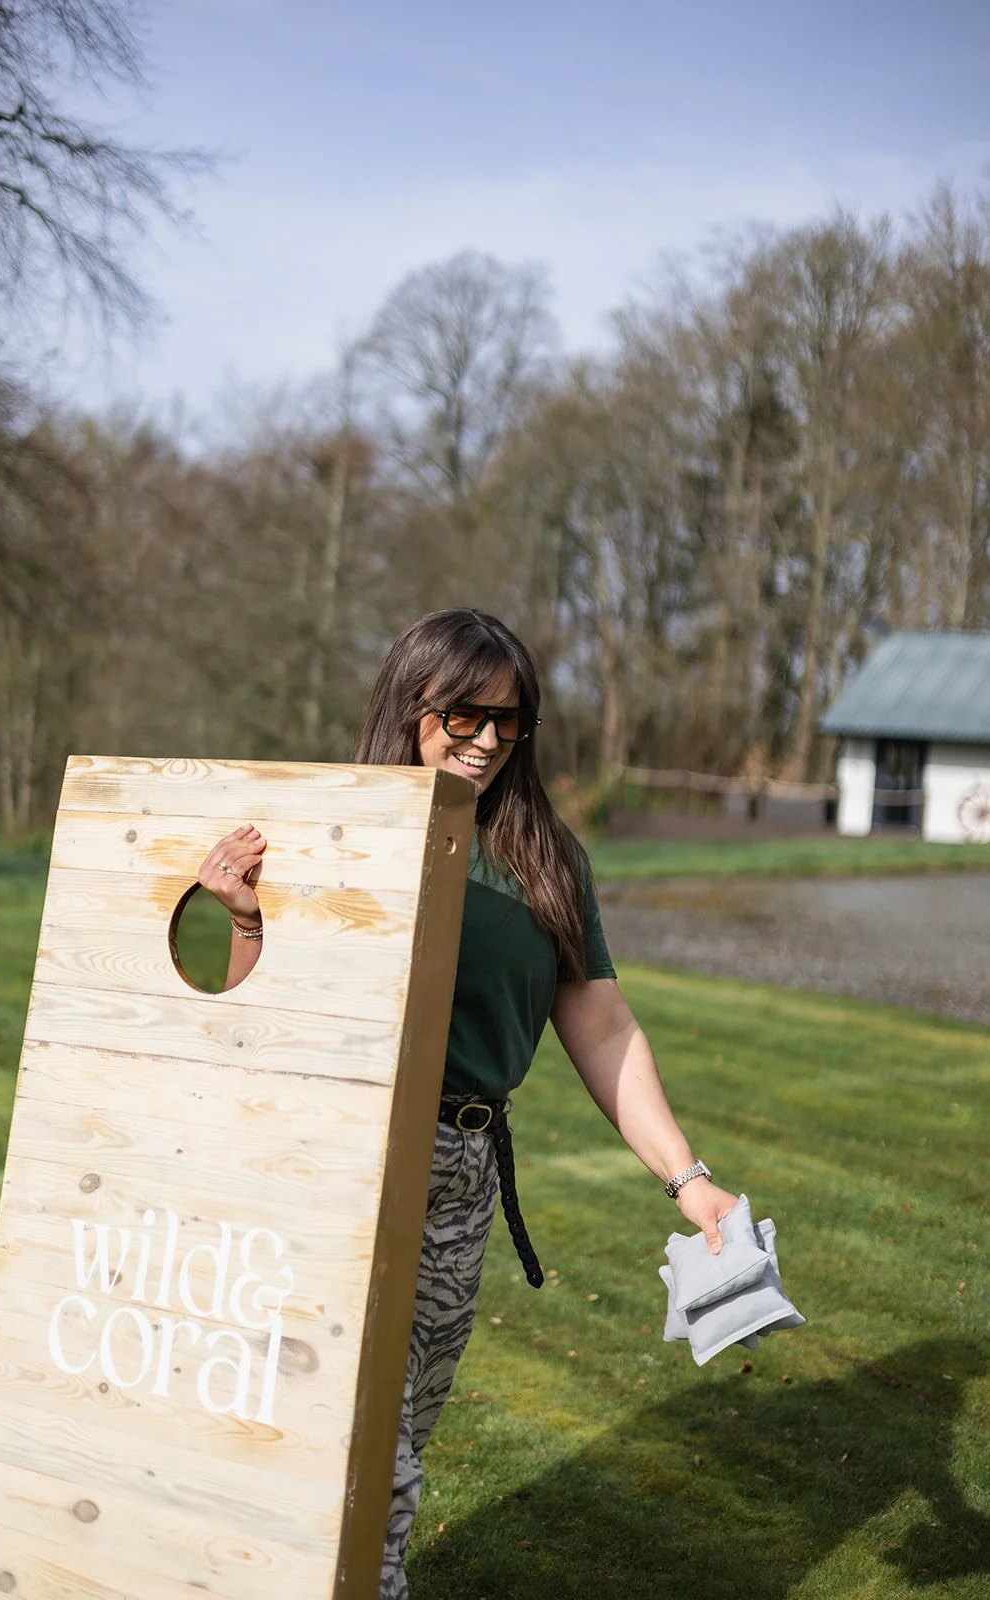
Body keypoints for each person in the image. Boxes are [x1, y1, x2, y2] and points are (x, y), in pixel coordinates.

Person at [198, 607, 739, 1599]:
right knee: (360, 1455)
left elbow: (605, 1029)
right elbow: (252, 1028)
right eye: (463, 714)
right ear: (411, 706)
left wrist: (687, 1178)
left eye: (508, 719)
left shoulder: (541, 856)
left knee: (399, 1431)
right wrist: (246, 920)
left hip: (458, 1179)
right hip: (336, 1162)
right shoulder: (332, 833)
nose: (486, 738)